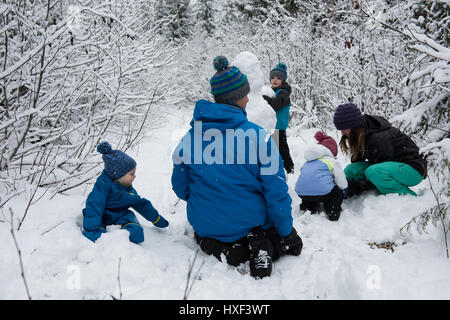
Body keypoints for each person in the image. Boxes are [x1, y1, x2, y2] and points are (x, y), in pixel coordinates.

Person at [171, 56, 302, 279]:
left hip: (205, 224)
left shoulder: (190, 138)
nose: (248, 101)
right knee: (287, 244)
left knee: (206, 239)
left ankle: (225, 249)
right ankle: (262, 244)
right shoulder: (257, 137)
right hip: (247, 221)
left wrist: (209, 199)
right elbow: (276, 192)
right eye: (245, 95)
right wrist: (287, 232)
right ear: (239, 97)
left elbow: (180, 187)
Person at [333, 103, 428, 198]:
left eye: (344, 129)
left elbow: (382, 166)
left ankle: (410, 199)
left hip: (414, 170)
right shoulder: (361, 133)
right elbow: (357, 163)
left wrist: (360, 186)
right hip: (392, 166)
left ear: (353, 125)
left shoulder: (378, 137)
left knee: (374, 172)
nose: (342, 133)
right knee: (350, 170)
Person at [82, 141, 169, 244]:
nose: (134, 176)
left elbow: (140, 204)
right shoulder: (103, 186)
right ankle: (105, 239)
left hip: (121, 215)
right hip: (103, 216)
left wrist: (156, 219)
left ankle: (122, 238)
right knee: (96, 235)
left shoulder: (128, 188)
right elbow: (94, 206)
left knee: (137, 233)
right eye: (131, 174)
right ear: (118, 175)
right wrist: (92, 228)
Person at [295, 131, 348, 221]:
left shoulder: (308, 161)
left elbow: (306, 178)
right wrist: (344, 189)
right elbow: (342, 183)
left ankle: (308, 206)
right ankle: (332, 210)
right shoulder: (331, 161)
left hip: (302, 193)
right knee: (337, 190)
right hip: (322, 193)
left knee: (311, 188)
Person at [262, 63, 295, 174]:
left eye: (278, 78)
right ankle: (275, 168)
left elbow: (276, 105)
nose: (275, 80)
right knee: (272, 149)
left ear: (283, 80)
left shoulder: (283, 93)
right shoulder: (271, 92)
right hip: (271, 126)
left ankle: (289, 168)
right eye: (272, 78)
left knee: (282, 149)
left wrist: (265, 99)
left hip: (279, 126)